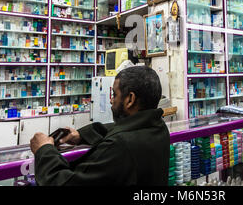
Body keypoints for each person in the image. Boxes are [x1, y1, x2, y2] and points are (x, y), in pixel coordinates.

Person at [30, 66, 170, 186]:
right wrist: (81, 136)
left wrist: (44, 150)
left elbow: (66, 182)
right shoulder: (158, 127)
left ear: (130, 100)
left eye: (114, 95)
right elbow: (119, 129)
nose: (111, 100)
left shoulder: (120, 146)